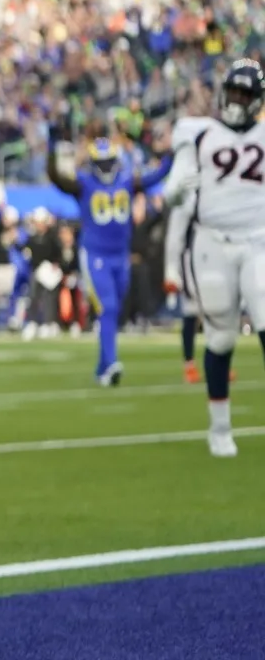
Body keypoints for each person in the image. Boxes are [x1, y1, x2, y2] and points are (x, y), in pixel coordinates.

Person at [163, 60, 265, 456]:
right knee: (221, 335)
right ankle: (219, 428)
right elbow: (175, 191)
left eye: (244, 94)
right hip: (212, 242)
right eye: (233, 92)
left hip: (258, 241)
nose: (236, 101)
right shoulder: (199, 133)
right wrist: (175, 191)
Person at [48, 131, 171, 384]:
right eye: (101, 163)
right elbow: (58, 179)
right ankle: (112, 363)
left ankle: (102, 369)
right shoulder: (83, 183)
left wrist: (173, 154)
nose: (106, 168)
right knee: (108, 307)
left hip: (120, 256)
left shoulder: (127, 182)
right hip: (96, 256)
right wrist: (52, 153)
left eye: (109, 162)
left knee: (113, 311)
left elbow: (155, 176)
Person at [167, 107, 215, 383]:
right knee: (191, 311)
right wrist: (171, 269)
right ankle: (189, 362)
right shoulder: (187, 181)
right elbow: (176, 231)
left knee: (217, 310)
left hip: (214, 251)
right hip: (191, 256)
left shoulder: (211, 177)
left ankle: (214, 359)